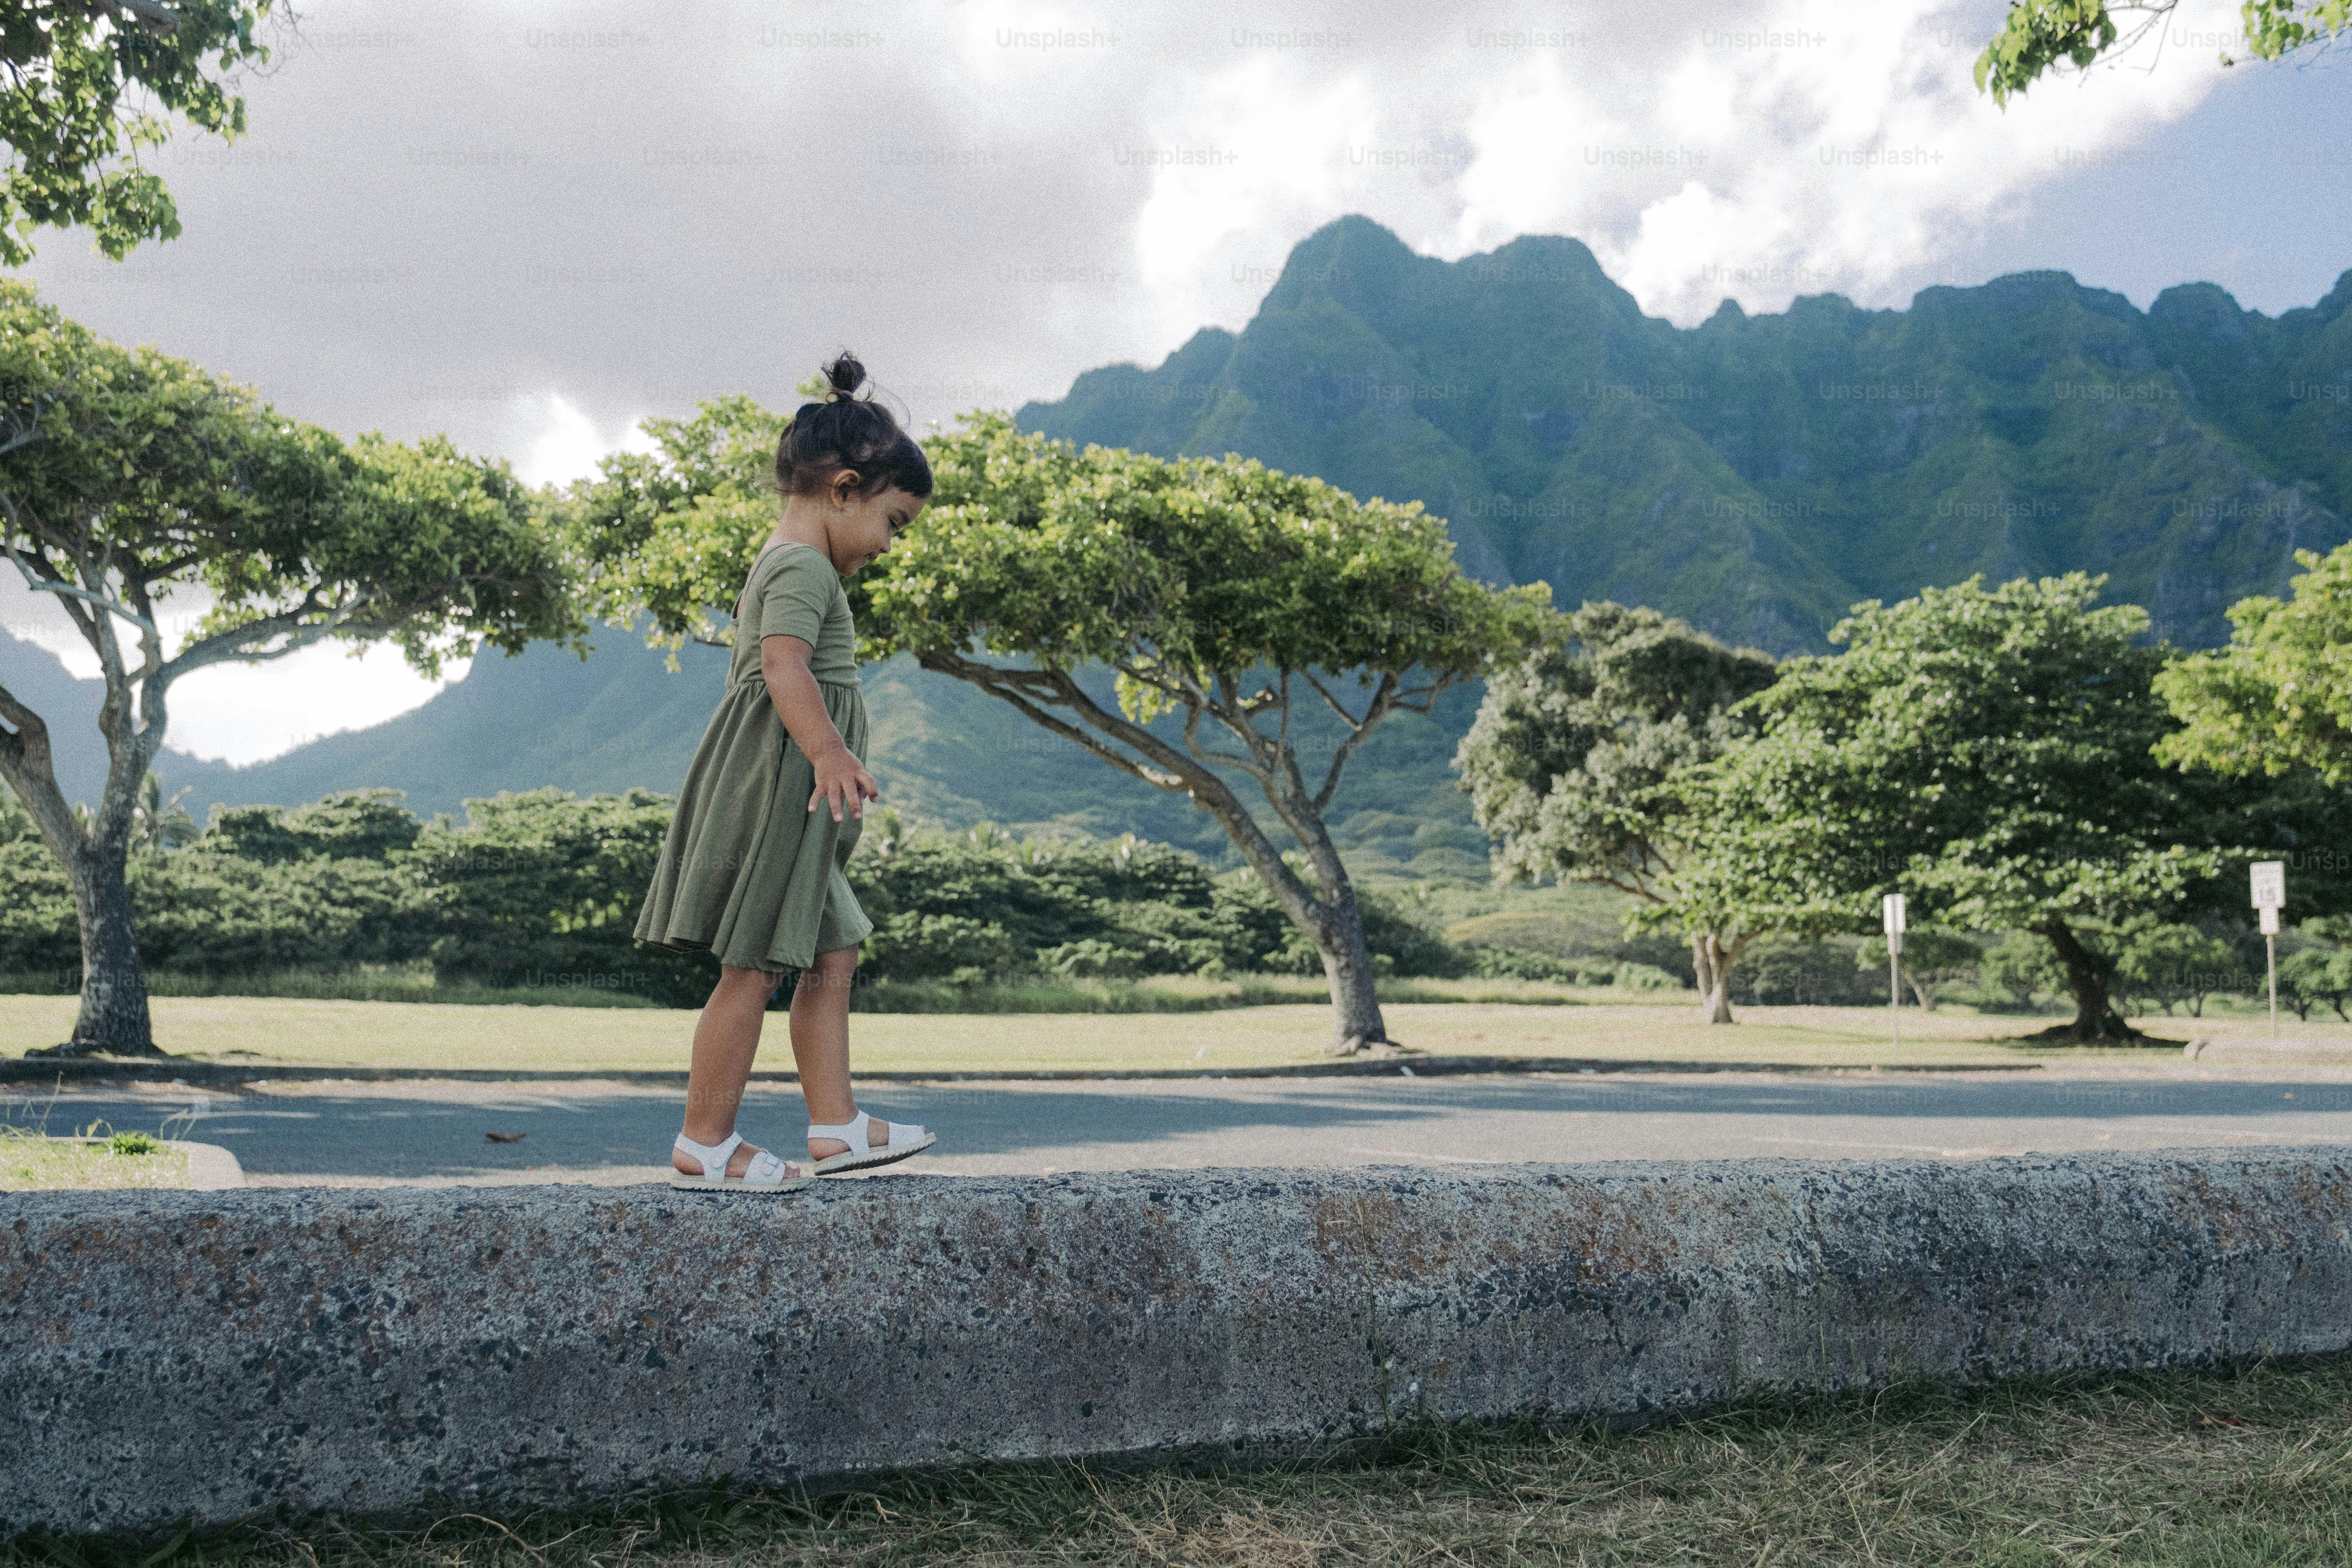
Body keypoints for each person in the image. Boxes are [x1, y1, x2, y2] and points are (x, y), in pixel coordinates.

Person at [634, 352, 937, 1193]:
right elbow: (782, 666)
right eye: (893, 521)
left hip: (797, 791)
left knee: (833, 947)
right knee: (756, 965)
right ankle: (705, 1140)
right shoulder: (802, 566)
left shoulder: (793, 559)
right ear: (844, 488)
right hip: (781, 787)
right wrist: (831, 752)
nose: (888, 544)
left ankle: (836, 1126)